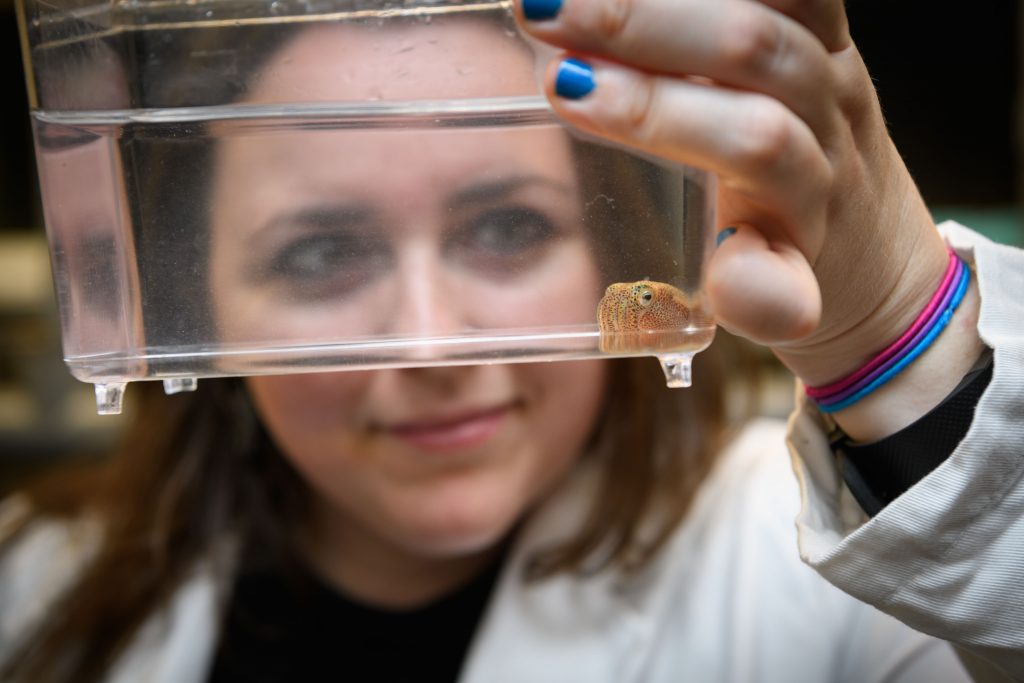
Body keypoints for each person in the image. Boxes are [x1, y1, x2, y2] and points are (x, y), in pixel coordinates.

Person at [1, 1, 1021, 683]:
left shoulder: (814, 589)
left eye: (507, 229)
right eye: (318, 255)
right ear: (200, 290)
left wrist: (905, 354)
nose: (435, 346)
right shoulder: (30, 592)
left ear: (609, 250)